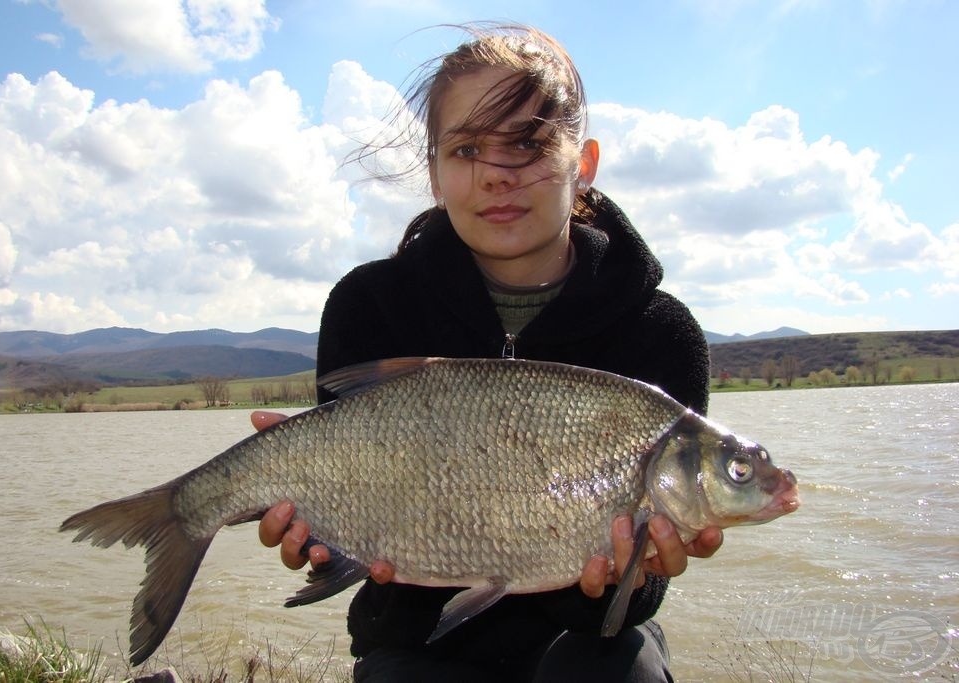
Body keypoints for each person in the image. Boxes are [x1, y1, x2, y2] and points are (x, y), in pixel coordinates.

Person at [253, 24, 723, 682]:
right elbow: (360, 537)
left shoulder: (659, 330)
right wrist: (323, 529)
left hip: (587, 641)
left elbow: (628, 607)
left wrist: (629, 575)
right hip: (415, 642)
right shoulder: (369, 306)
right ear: (436, 172)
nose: (498, 175)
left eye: (528, 143)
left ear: (582, 163)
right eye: (468, 148)